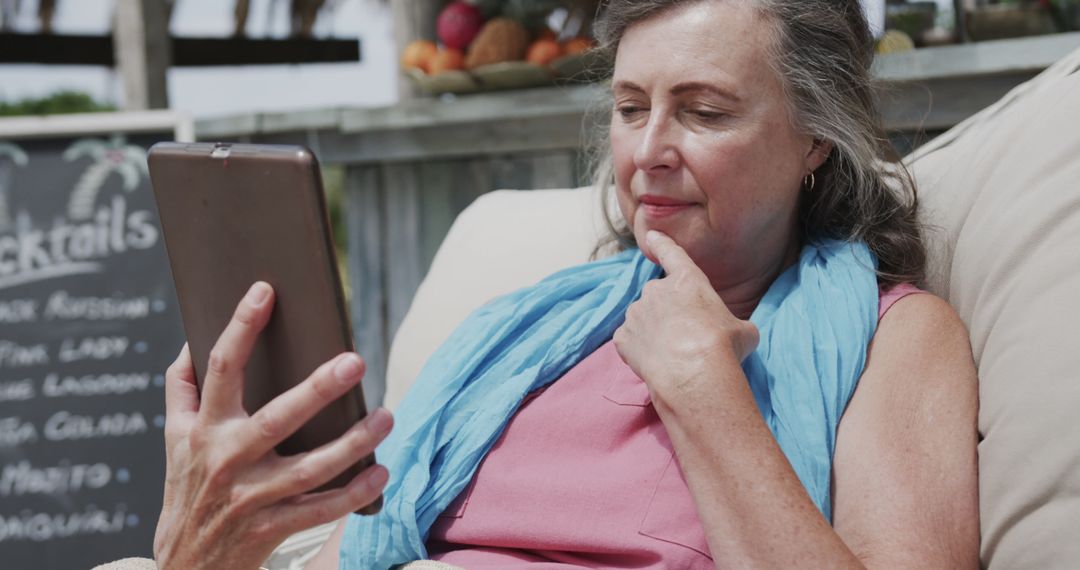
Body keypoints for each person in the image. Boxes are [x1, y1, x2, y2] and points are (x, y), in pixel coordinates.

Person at [152, 0, 980, 568]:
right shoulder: (532, 332)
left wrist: (704, 388)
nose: (648, 149)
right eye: (629, 108)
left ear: (815, 140)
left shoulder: (892, 338)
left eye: (704, 111)